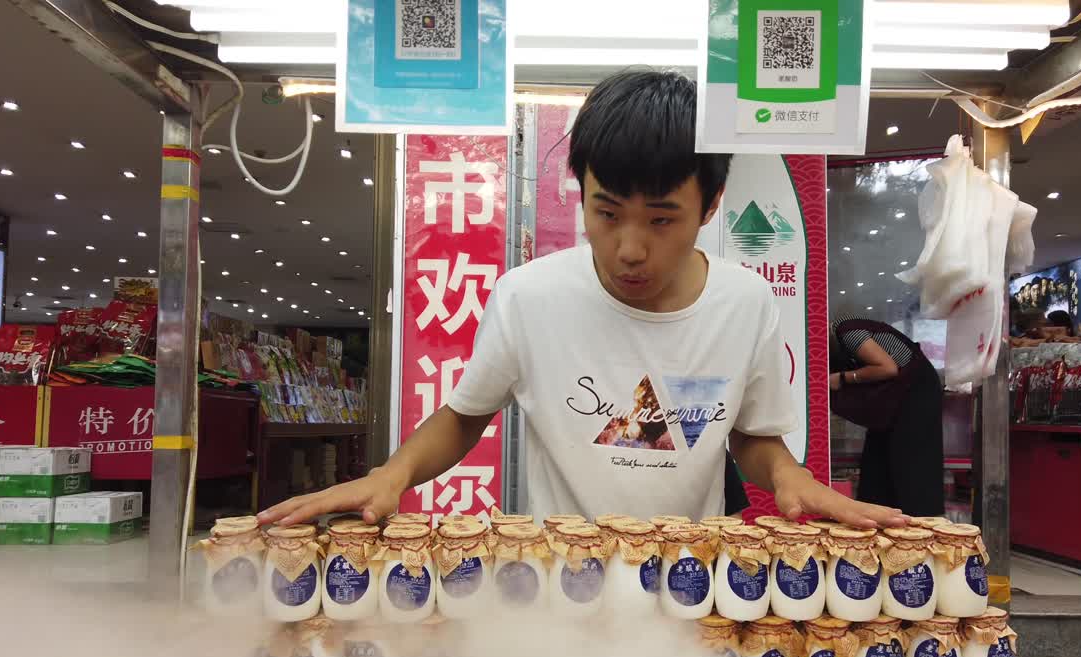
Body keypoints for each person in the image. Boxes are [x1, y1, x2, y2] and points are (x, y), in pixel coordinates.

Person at [259, 71, 905, 530]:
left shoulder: (748, 305)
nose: (629, 248)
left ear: (710, 206)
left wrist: (790, 476)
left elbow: (755, 439)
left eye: (660, 220)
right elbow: (464, 415)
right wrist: (392, 474)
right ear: (581, 192)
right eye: (607, 212)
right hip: (558, 590)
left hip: (692, 590)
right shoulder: (528, 297)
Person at [828, 318, 945, 517]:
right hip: (895, 398)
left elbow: (887, 367)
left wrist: (843, 378)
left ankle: (919, 526)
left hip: (915, 392)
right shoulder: (844, 339)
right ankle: (878, 518)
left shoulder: (847, 331)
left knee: (910, 462)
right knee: (877, 460)